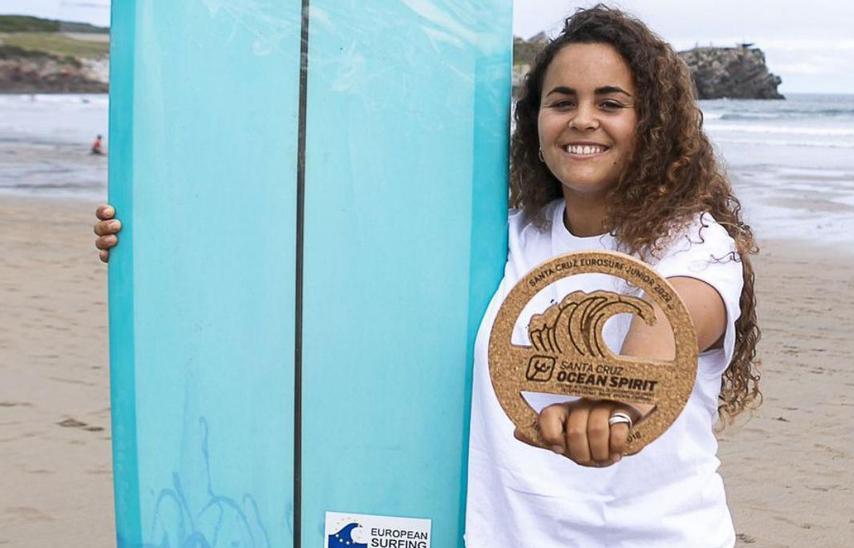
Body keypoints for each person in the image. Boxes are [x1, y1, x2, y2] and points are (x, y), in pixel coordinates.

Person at [94, 6, 760, 547]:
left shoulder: (696, 246)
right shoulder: (504, 235)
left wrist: (614, 406)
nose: (582, 119)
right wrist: (157, 241)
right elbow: (345, 244)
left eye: (610, 102)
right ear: (536, 123)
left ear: (652, 122)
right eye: (562, 101)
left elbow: (666, 328)